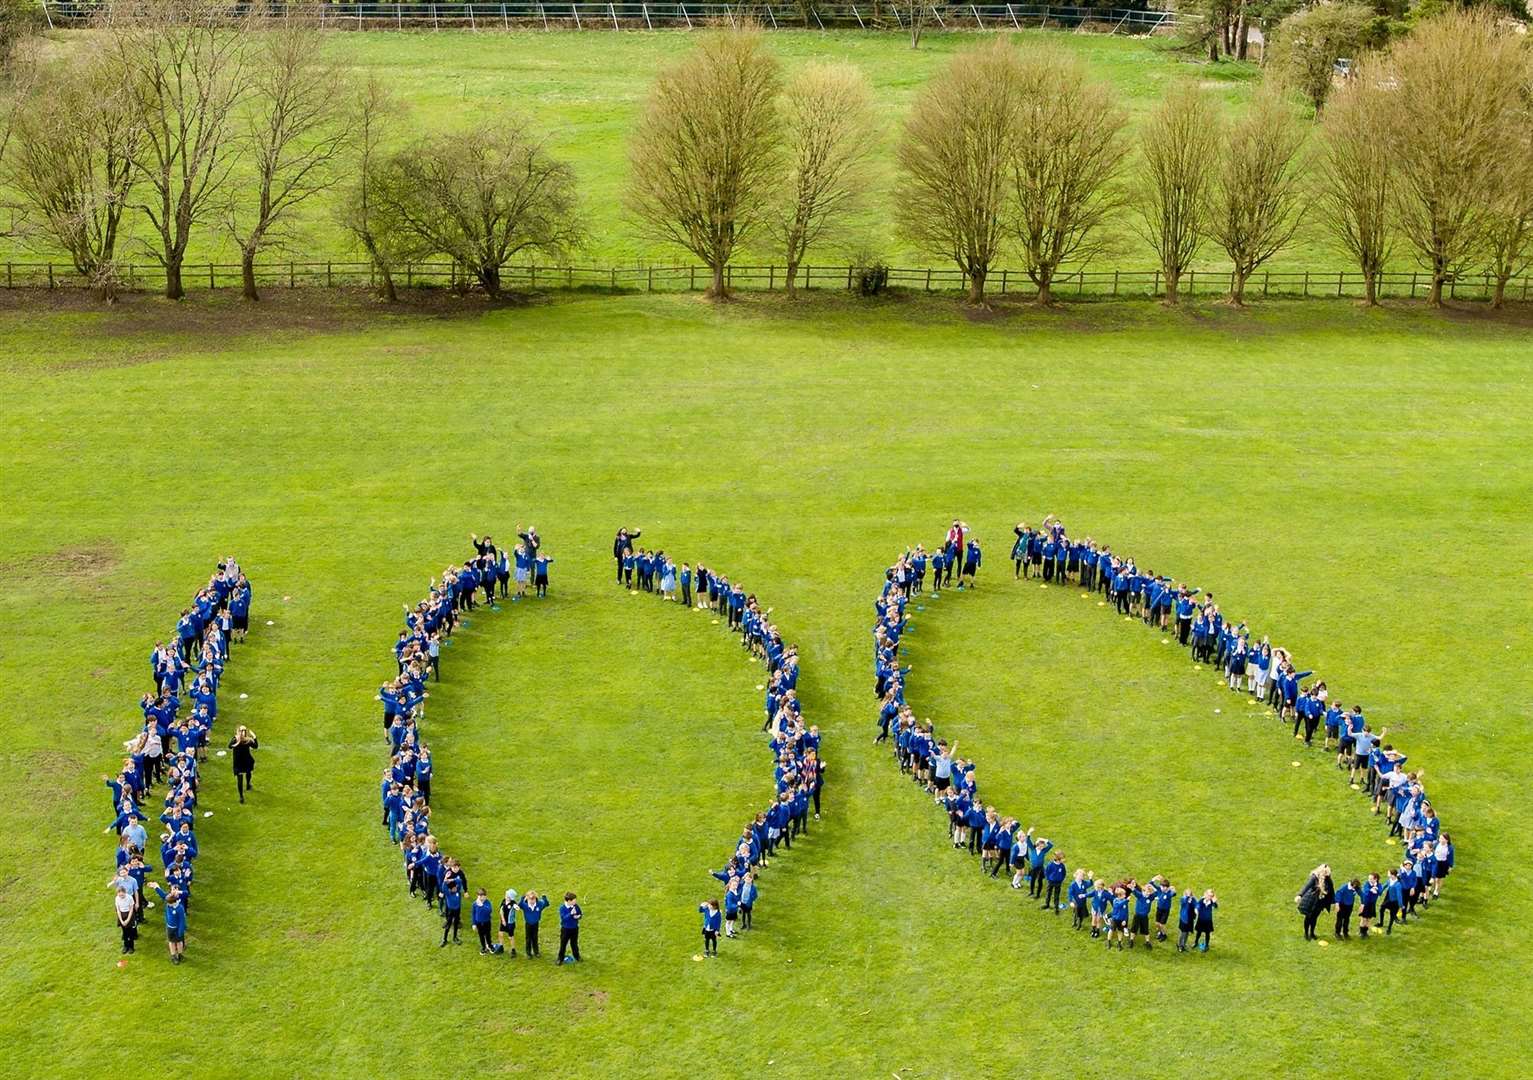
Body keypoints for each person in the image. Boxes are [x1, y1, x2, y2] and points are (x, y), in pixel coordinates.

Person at [148, 882, 187, 964]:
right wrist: (156, 887)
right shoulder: (169, 902)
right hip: (170, 928)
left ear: (174, 902)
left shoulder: (180, 908)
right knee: (172, 942)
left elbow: (182, 921)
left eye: (169, 903)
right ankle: (173, 956)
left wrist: (180, 931)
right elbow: (163, 895)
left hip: (177, 928)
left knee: (179, 942)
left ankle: (180, 955)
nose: (167, 904)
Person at [1297, 864, 1332, 941]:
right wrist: (1300, 895)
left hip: (1320, 902)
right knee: (1308, 917)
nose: (1327, 875)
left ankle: (1312, 933)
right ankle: (1306, 934)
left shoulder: (1328, 878)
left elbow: (1331, 889)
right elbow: (1307, 886)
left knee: (1315, 917)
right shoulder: (1314, 877)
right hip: (1312, 901)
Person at [228, 725, 258, 803]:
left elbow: (255, 746)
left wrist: (254, 737)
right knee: (243, 776)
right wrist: (254, 736)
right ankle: (244, 792)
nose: (243, 732)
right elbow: (229, 746)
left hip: (243, 761)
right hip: (242, 761)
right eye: (242, 730)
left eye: (244, 730)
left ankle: (246, 788)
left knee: (245, 775)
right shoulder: (241, 740)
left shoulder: (243, 740)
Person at [520, 890, 548, 958]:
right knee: (528, 938)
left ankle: (536, 952)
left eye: (533, 899)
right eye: (530, 899)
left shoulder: (539, 904)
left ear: (536, 898)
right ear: (527, 899)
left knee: (535, 938)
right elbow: (519, 905)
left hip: (535, 924)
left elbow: (546, 904)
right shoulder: (524, 905)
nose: (532, 901)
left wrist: (544, 898)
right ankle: (528, 953)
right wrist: (522, 897)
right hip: (528, 924)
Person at [557, 891, 582, 964]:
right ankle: (560, 959)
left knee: (574, 944)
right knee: (563, 944)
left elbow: (580, 913)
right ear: (569, 901)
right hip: (566, 929)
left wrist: (578, 916)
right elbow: (563, 918)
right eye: (574, 900)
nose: (575, 902)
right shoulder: (562, 908)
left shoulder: (576, 906)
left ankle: (577, 956)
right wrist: (571, 914)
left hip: (574, 928)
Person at [114, 886, 138, 954]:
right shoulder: (117, 898)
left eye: (122, 895)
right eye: (119, 895)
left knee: (130, 932)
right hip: (121, 914)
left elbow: (131, 909)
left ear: (125, 892)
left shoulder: (129, 897)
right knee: (124, 932)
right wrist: (121, 920)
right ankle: (125, 946)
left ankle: (131, 947)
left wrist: (127, 920)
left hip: (129, 915)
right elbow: (118, 910)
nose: (121, 896)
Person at [471, 888, 494, 954]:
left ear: (485, 896)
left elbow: (489, 911)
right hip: (478, 923)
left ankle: (490, 945)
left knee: (488, 935)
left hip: (487, 922)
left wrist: (482, 905)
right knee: (481, 935)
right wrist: (474, 924)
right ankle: (483, 947)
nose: (481, 897)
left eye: (482, 896)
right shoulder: (474, 904)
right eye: (479, 896)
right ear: (477, 896)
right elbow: (473, 914)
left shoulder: (487, 903)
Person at [498, 888, 519, 956]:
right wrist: (503, 920)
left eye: (507, 895)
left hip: (510, 923)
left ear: (511, 897)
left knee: (510, 937)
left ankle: (513, 950)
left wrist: (516, 907)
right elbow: (501, 910)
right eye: (506, 894)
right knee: (500, 934)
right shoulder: (503, 901)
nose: (506, 896)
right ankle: (501, 947)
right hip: (503, 921)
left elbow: (517, 908)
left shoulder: (513, 903)